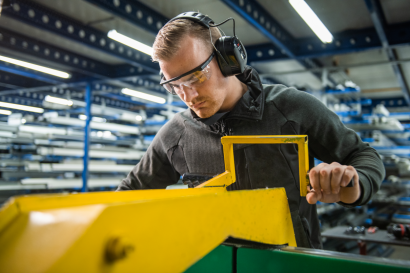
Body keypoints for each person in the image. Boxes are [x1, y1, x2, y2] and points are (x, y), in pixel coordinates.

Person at [117, 12, 385, 249]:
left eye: (196, 76)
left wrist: (354, 185)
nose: (189, 95)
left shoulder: (291, 108)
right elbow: (130, 193)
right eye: (175, 85)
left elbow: (363, 156)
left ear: (228, 58)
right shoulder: (175, 135)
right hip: (214, 263)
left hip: (291, 265)